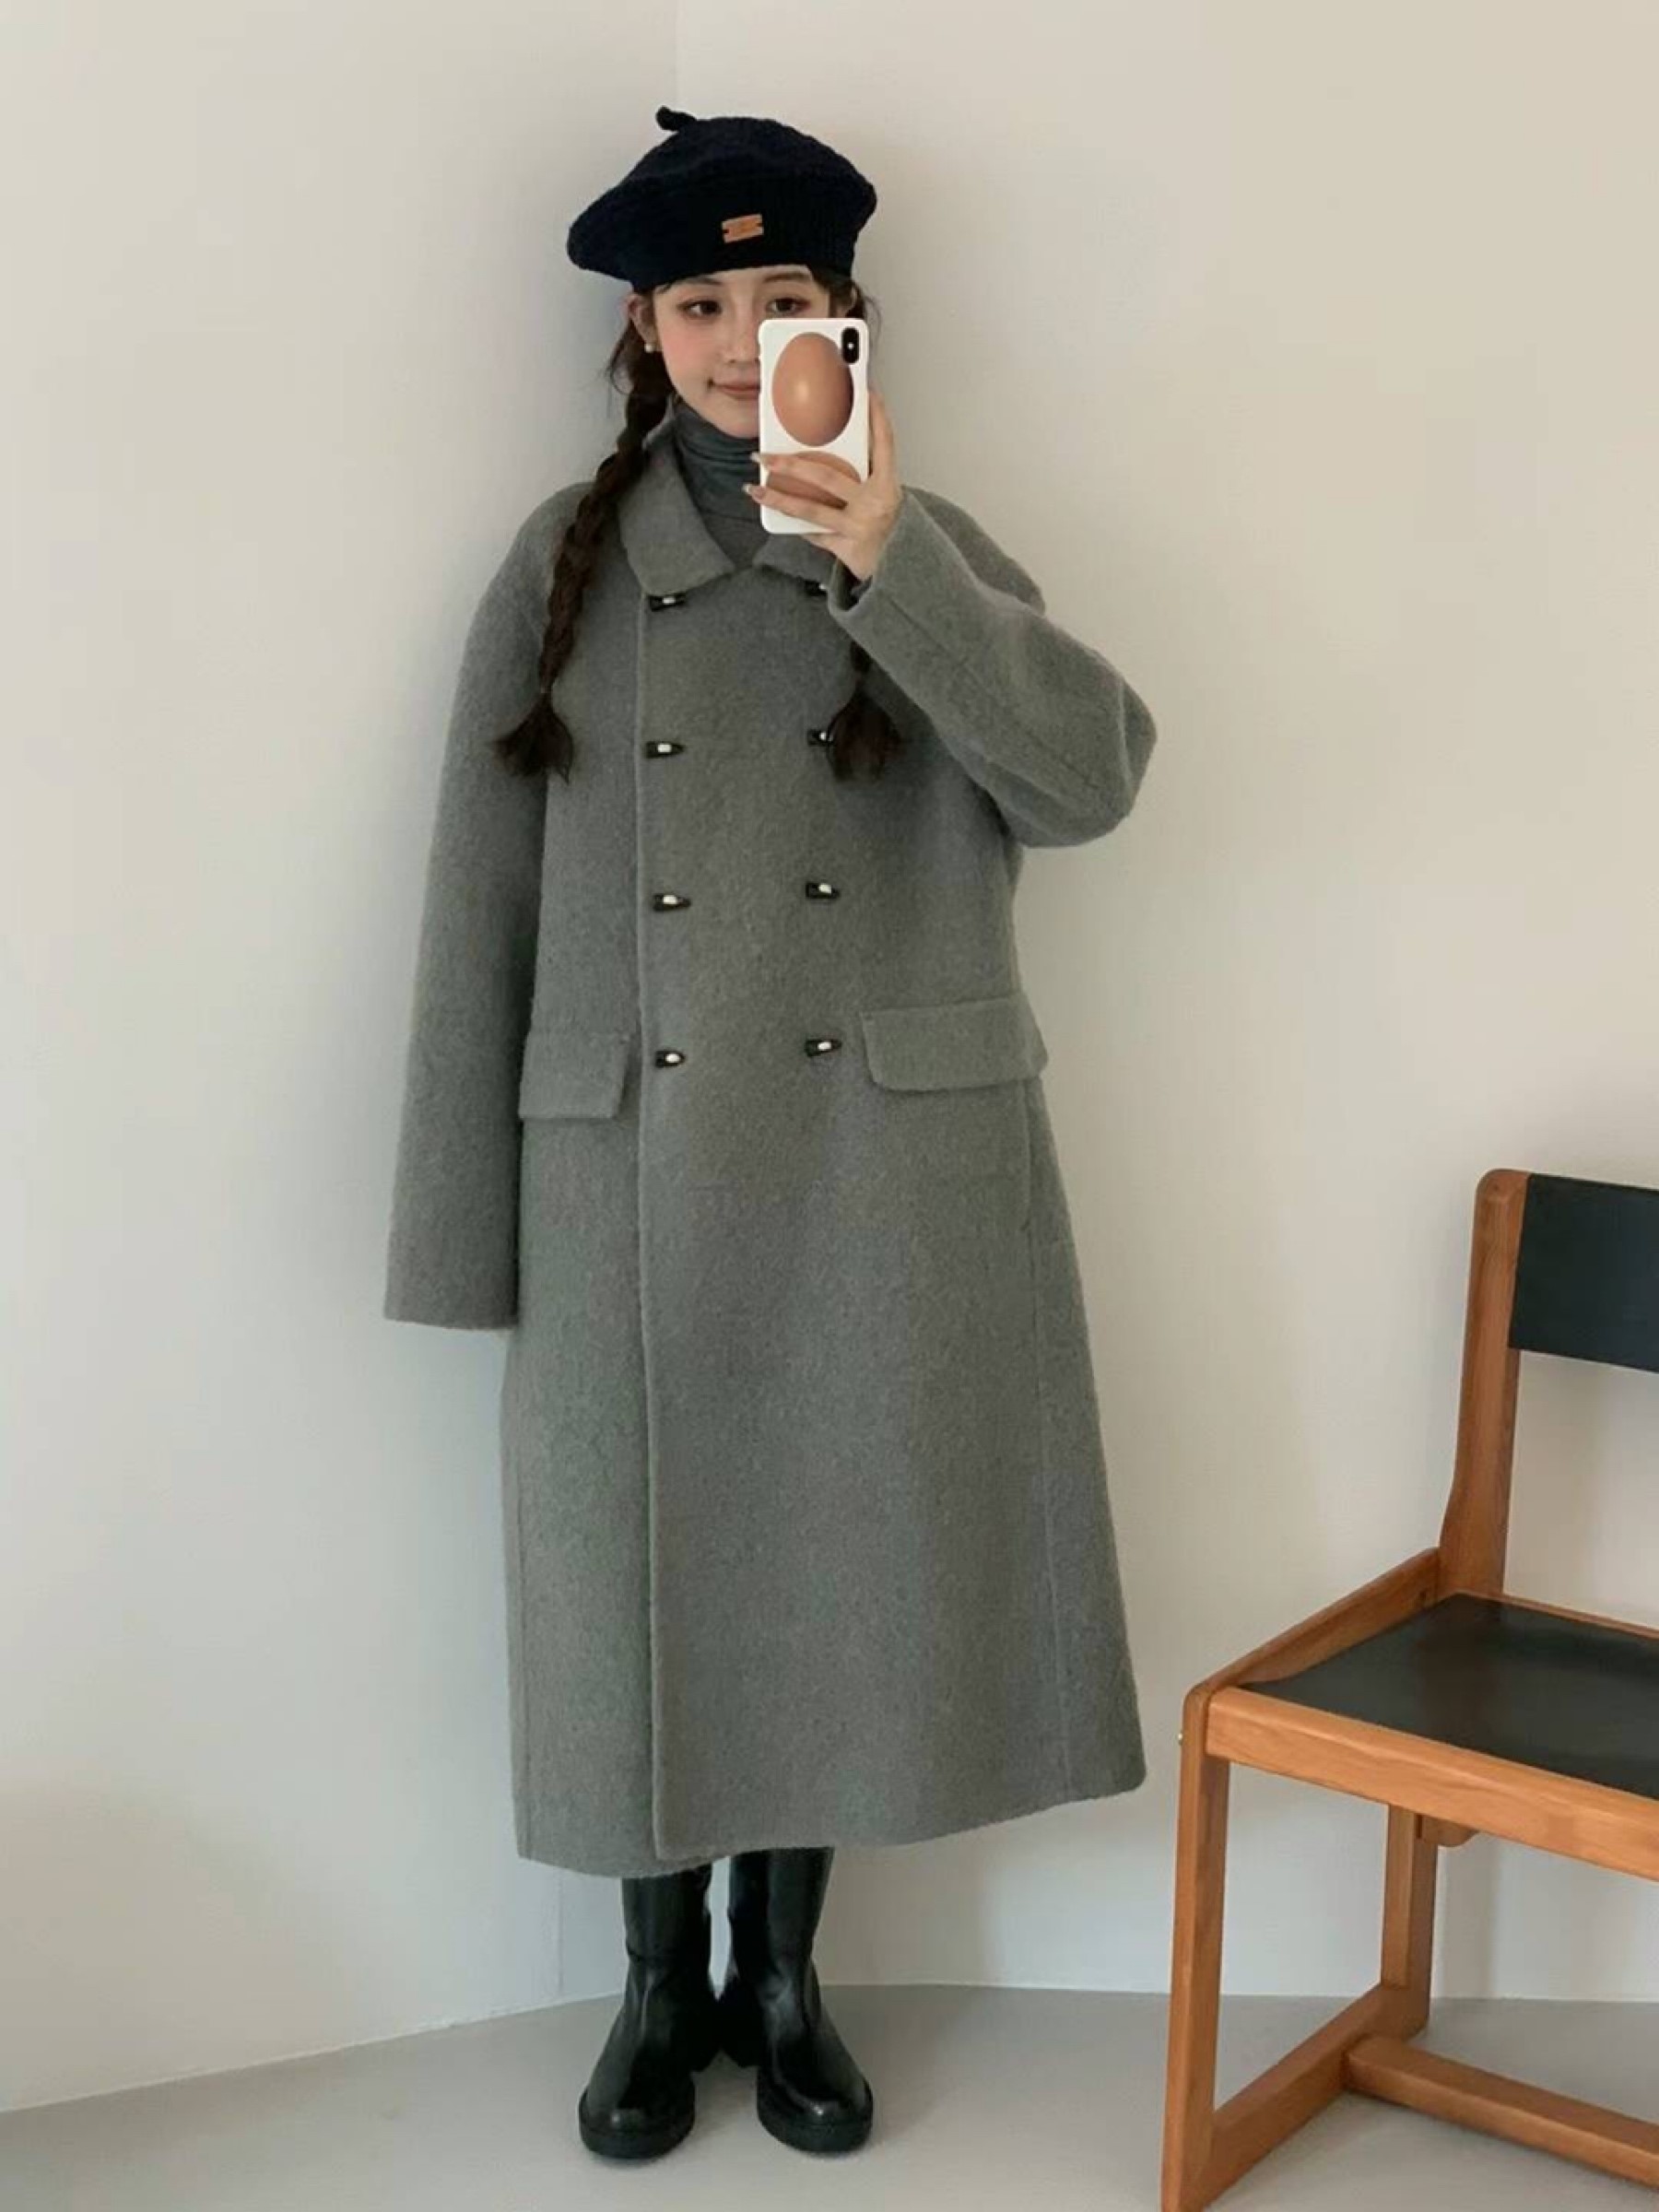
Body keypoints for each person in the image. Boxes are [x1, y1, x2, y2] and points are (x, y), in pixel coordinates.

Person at [383, 102, 1158, 2165]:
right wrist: (459, 1231)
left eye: (781, 299)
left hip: (874, 1182)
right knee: (632, 1597)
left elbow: (1090, 784)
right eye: (701, 305)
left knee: (833, 1574)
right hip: (625, 1174)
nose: (741, 343)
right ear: (642, 331)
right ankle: (658, 1991)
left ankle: (785, 1977)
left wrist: (889, 557)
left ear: (846, 317)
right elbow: (477, 911)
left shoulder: (926, 545)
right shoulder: (560, 569)